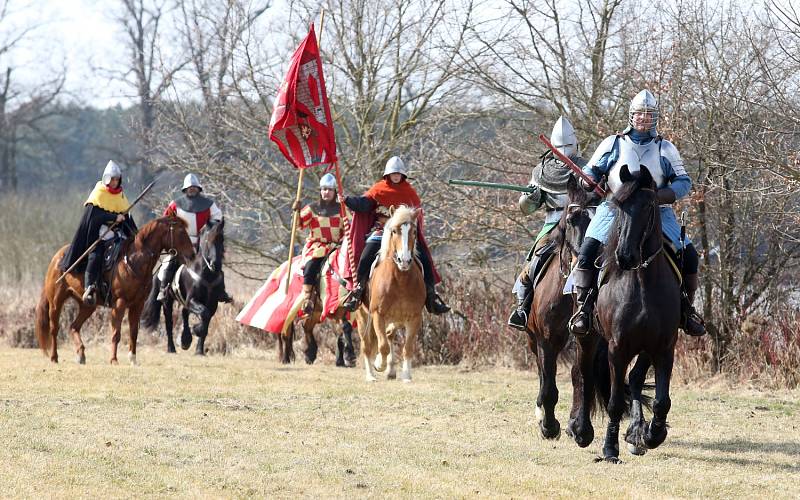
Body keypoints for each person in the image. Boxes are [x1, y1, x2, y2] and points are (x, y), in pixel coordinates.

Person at [569, 89, 705, 337]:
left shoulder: (665, 148)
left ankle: (687, 310)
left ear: (655, 117)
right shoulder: (613, 143)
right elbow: (590, 170)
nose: (643, 118)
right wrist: (588, 180)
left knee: (691, 256)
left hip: (657, 213)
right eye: (640, 114)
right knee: (586, 252)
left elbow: (684, 182)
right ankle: (584, 309)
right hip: (613, 208)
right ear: (631, 116)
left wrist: (660, 196)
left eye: (648, 114)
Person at [508, 116, 594, 330]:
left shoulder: (588, 167)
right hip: (553, 222)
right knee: (535, 260)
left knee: (600, 256)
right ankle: (523, 307)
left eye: (568, 145)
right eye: (560, 146)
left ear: (576, 144)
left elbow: (598, 197)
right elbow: (526, 208)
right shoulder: (541, 171)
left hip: (581, 221)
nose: (565, 149)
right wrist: (531, 196)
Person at [341, 156, 450, 314]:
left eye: (399, 173)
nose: (396, 176)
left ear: (403, 175)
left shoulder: (410, 193)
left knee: (425, 259)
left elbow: (415, 215)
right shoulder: (378, 189)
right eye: (394, 173)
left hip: (404, 234)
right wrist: (347, 200)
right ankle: (358, 291)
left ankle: (431, 297)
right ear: (388, 175)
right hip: (381, 231)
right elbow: (364, 205)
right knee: (365, 256)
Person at [60, 160, 138, 306]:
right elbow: (94, 218)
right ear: (107, 179)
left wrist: (136, 235)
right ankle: (89, 287)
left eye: (117, 179)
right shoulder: (99, 193)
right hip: (99, 232)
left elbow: (127, 217)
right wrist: (114, 217)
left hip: (116, 232)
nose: (115, 182)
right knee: (96, 255)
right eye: (113, 179)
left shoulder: (120, 195)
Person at [157, 173, 232, 303]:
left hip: (202, 244)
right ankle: (163, 289)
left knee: (216, 263)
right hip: (182, 245)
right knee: (169, 263)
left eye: (194, 187)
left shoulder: (209, 204)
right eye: (190, 187)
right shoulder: (175, 204)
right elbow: (165, 220)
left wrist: (209, 231)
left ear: (198, 188)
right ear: (185, 189)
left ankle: (221, 292)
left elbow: (217, 220)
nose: (192, 189)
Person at [294, 173, 346, 314]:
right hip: (317, 246)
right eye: (323, 189)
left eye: (329, 189)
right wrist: (297, 212)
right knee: (311, 265)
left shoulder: (342, 209)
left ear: (335, 191)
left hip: (336, 248)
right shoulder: (312, 208)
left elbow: (351, 226)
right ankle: (307, 298)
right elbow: (299, 224)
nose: (326, 192)